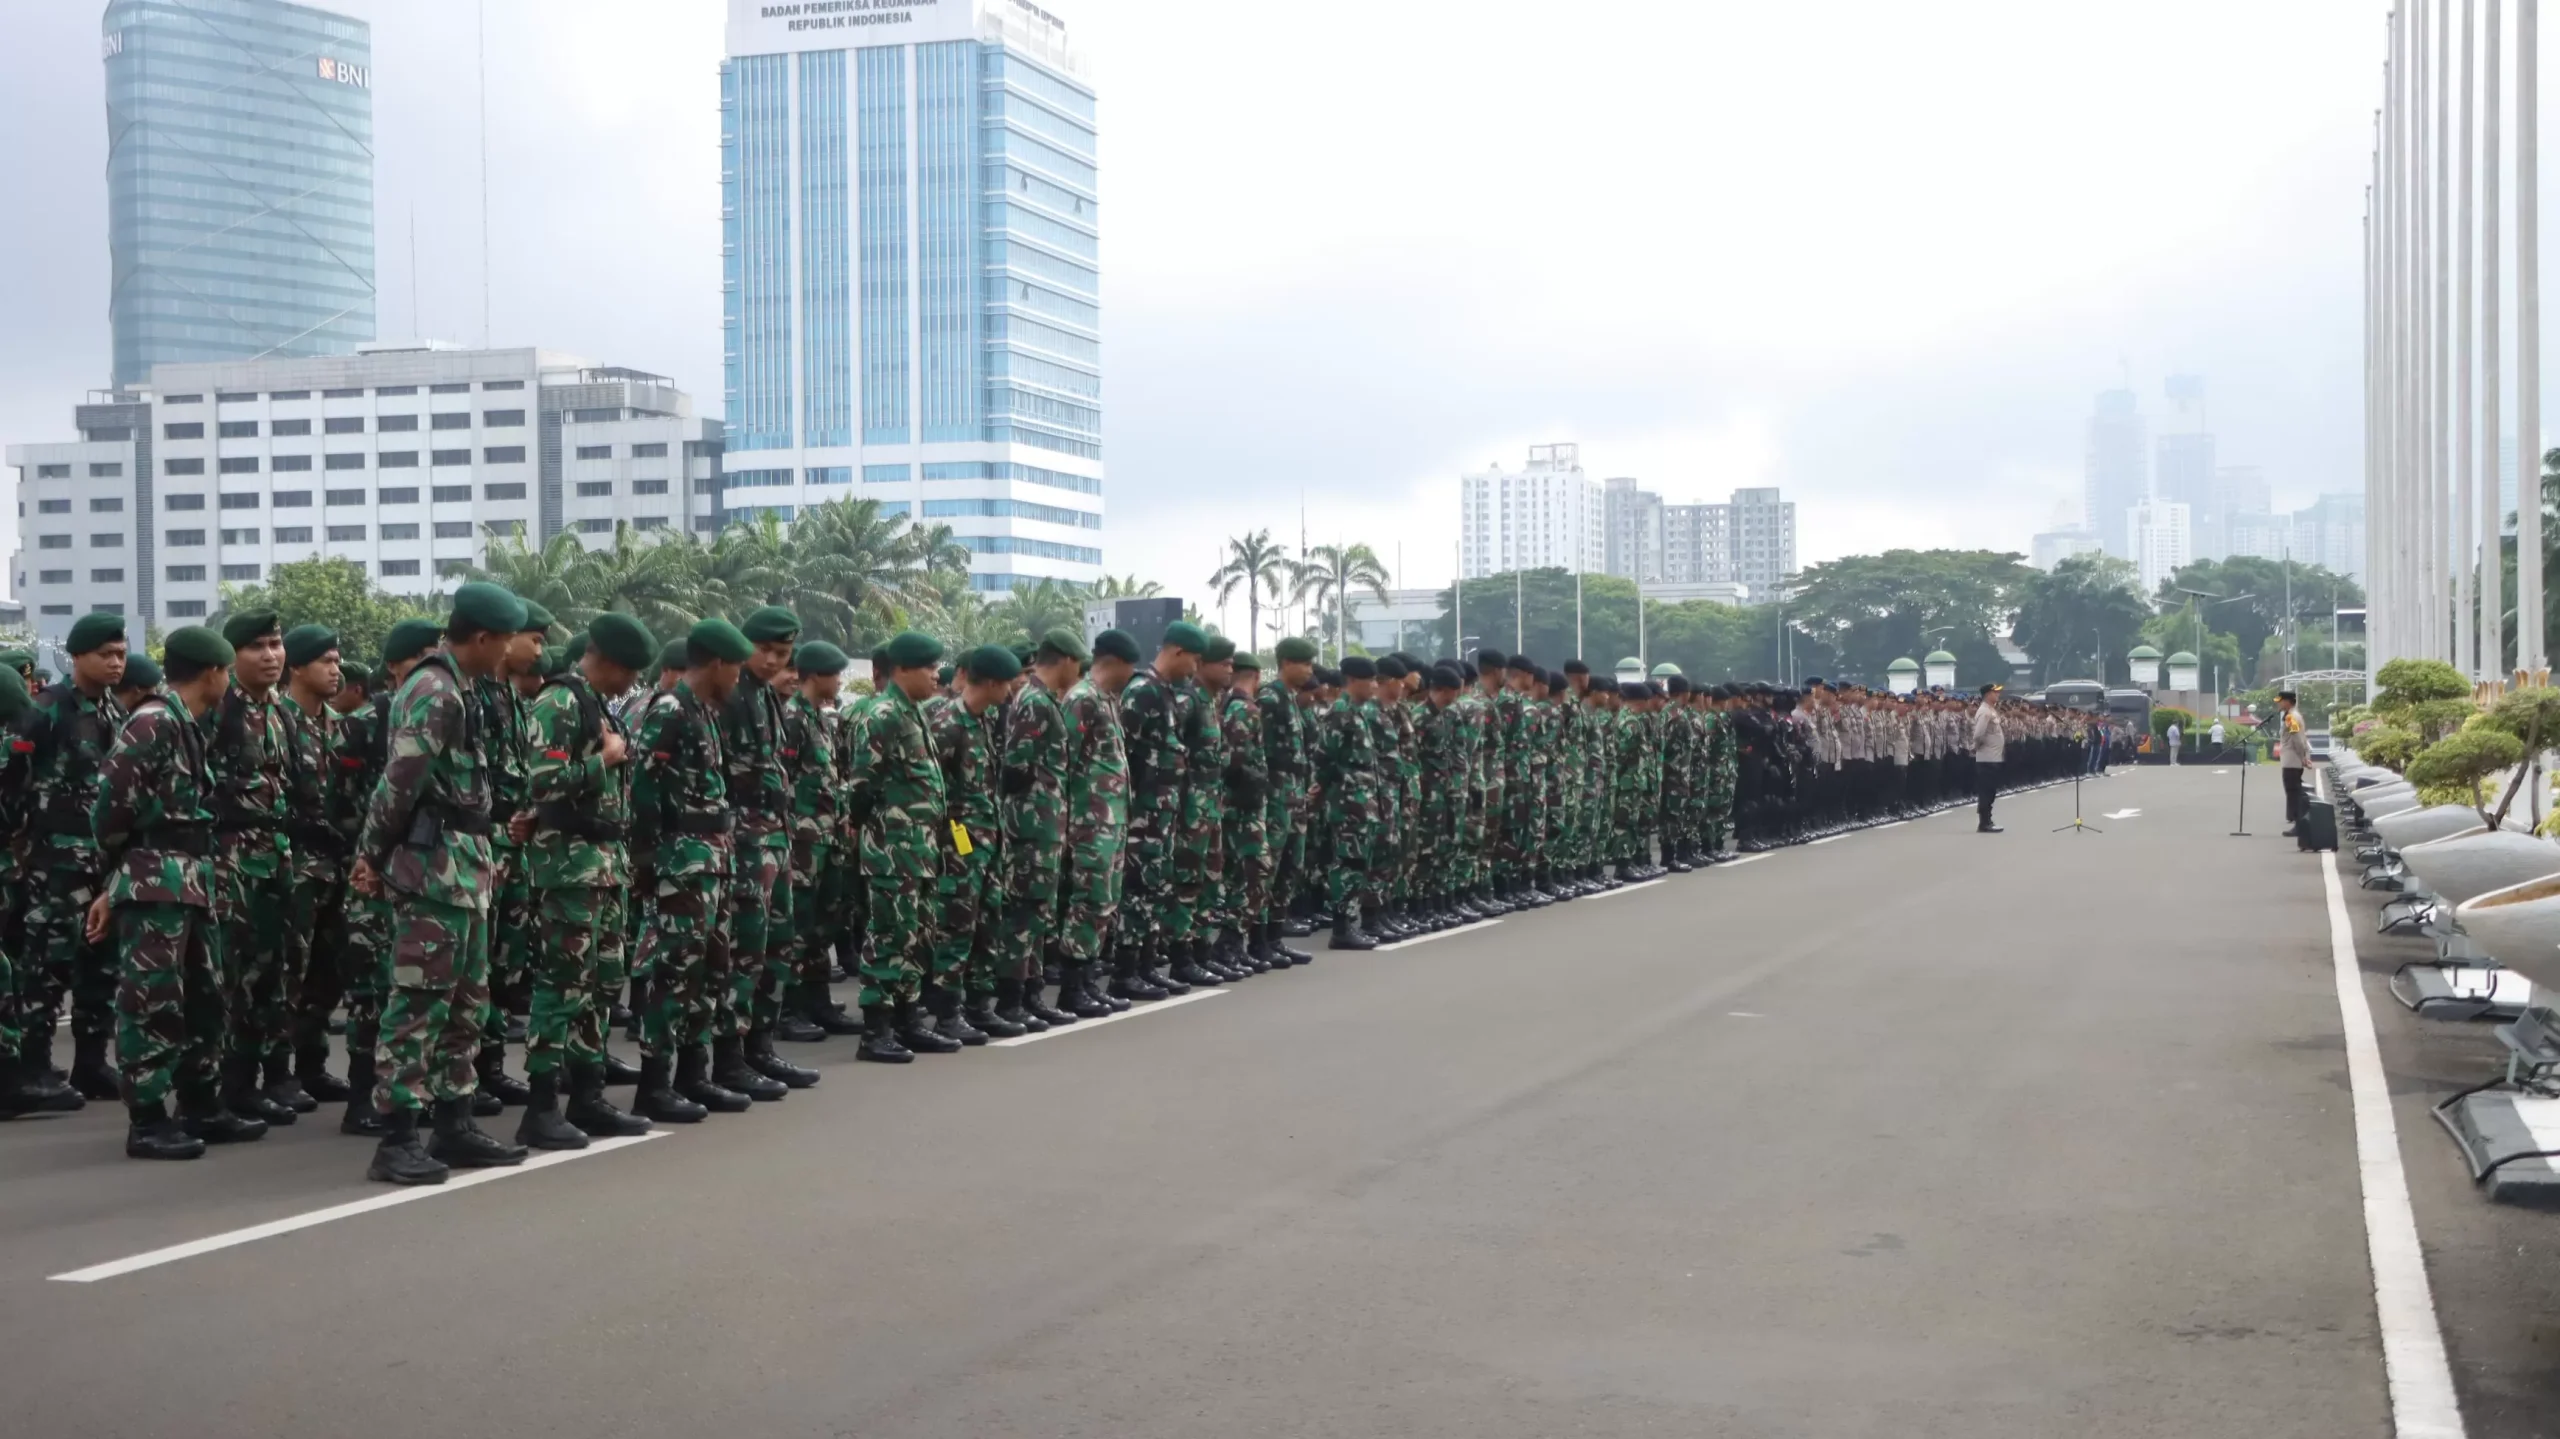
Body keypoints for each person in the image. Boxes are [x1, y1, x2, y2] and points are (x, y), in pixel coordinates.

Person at [352, 582, 527, 1184]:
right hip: (431, 871)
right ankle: (397, 1136)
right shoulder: (432, 689)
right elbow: (399, 783)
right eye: (504, 641)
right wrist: (371, 854)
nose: (508, 653)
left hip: (463, 867)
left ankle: (454, 1122)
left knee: (467, 1005)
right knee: (418, 1004)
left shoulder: (462, 687)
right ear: (482, 638)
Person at [91, 626, 252, 1158]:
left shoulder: (187, 724)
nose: (228, 682)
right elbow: (109, 808)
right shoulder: (153, 722)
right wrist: (123, 871)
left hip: (190, 876)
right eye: (227, 672)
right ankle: (148, 1118)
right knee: (152, 999)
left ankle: (200, 1103)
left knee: (205, 997)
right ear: (212, 673)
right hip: (155, 877)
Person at [515, 611, 660, 1149]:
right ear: (611, 662)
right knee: (561, 983)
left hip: (603, 862)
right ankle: (541, 1104)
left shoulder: (596, 706)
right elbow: (545, 781)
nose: (632, 683)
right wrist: (605, 760)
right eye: (630, 671)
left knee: (600, 982)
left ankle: (587, 1094)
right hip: (569, 866)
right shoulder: (558, 703)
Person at [4, 611, 130, 1106]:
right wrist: (21, 841)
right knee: (47, 964)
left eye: (120, 654)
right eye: (106, 655)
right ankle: (33, 1067)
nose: (116, 663)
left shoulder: (116, 713)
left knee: (101, 966)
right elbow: (13, 776)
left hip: (101, 861)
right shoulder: (48, 709)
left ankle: (91, 1062)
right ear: (77, 657)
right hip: (54, 861)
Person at [1971, 682, 2006, 834]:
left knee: (1991, 790)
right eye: (1995, 692)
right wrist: (1979, 748)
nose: (1998, 694)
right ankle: (1984, 822)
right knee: (1986, 791)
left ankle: (1988, 820)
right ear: (1987, 694)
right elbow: (1978, 734)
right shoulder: (1984, 711)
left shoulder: (1991, 710)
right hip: (1987, 757)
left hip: (1993, 757)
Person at [2276, 691, 2311, 835]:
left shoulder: (2290, 717)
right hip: (2293, 759)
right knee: (2293, 792)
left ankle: (2298, 824)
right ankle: (2297, 822)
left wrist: (2303, 755)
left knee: (2293, 793)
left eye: (2281, 701)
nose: (2278, 704)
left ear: (2288, 702)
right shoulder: (2293, 716)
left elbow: (2297, 738)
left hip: (2291, 759)